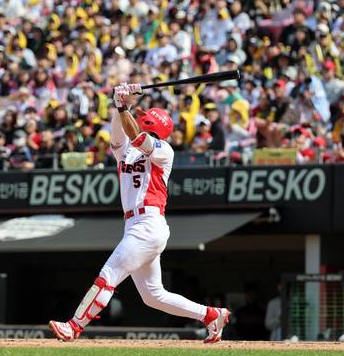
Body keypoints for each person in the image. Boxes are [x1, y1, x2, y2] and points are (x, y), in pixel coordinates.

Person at [48, 83, 230, 343]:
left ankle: (74, 326)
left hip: (148, 223)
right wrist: (118, 103)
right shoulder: (127, 151)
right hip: (136, 225)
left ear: (155, 128)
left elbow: (137, 138)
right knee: (153, 295)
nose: (142, 122)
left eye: (146, 121)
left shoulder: (164, 151)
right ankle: (212, 315)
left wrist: (124, 107)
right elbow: (117, 139)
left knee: (109, 274)